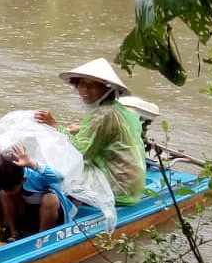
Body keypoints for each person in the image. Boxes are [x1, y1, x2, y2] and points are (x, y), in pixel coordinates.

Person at [35, 58, 146, 205]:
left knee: (59, 175)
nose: (85, 91)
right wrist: (81, 129)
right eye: (82, 85)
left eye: (92, 86)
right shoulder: (119, 109)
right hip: (132, 182)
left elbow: (79, 153)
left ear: (107, 88)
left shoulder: (101, 115)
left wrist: (56, 126)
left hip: (118, 187)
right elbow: (113, 131)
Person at [0, 144, 73, 240]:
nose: (9, 191)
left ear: (23, 180)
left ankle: (43, 237)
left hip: (50, 214)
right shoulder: (3, 179)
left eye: (12, 188)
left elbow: (60, 177)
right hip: (28, 212)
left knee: (50, 198)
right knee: (3, 194)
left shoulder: (35, 176)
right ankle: (14, 233)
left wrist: (32, 164)